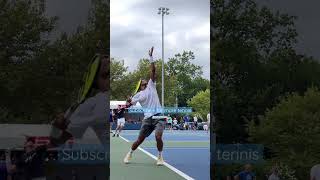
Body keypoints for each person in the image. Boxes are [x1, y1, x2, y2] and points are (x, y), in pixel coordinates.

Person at [50, 55, 109, 146]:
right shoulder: (90, 105)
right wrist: (57, 126)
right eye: (105, 75)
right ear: (96, 82)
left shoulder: (131, 99)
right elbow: (56, 141)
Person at [123, 47, 165, 166]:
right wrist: (128, 101)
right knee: (139, 140)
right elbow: (129, 104)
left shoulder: (152, 85)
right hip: (147, 119)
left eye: (146, 82)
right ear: (141, 86)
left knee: (158, 136)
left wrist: (150, 57)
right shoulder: (138, 95)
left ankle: (160, 157)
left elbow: (153, 70)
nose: (146, 83)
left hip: (158, 116)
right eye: (143, 83)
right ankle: (130, 153)